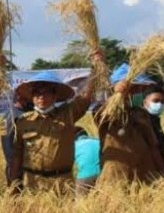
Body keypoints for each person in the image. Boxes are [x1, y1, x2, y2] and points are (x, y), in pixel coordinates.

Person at [10, 51, 103, 194]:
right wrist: (14, 184)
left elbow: (86, 96)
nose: (41, 97)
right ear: (32, 97)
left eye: (46, 92)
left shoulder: (67, 114)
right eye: (37, 93)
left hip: (62, 185)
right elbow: (17, 155)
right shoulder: (23, 122)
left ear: (55, 96)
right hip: (33, 185)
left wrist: (96, 66)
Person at [94, 64, 164, 186]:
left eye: (140, 88)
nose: (138, 91)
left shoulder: (141, 114)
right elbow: (101, 114)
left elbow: (153, 147)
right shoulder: (108, 113)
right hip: (116, 179)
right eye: (134, 88)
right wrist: (117, 93)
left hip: (145, 177)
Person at [1, 92, 30, 187]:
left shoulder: (29, 112)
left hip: (31, 167)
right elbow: (7, 145)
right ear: (18, 97)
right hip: (17, 168)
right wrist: (14, 168)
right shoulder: (10, 116)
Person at [143, 85, 164, 168]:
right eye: (156, 101)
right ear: (145, 102)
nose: (160, 104)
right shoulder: (141, 123)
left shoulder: (155, 121)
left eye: (163, 101)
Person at [74, 126, 100, 195]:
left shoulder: (73, 145)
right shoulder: (98, 141)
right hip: (103, 174)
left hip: (85, 177)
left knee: (81, 203)